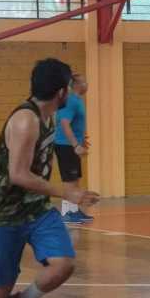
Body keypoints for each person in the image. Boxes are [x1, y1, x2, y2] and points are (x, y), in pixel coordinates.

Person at [0, 58, 101, 298]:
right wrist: (67, 191)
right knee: (1, 283)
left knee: (63, 264)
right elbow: (18, 174)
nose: (70, 91)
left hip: (36, 209)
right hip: (2, 213)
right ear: (61, 92)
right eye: (68, 86)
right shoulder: (25, 120)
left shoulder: (50, 117)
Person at [54, 73, 92, 224]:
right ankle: (67, 213)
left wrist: (82, 141)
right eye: (85, 82)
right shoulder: (70, 101)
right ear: (77, 84)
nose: (87, 84)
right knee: (69, 180)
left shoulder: (77, 101)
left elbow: (75, 124)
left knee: (75, 178)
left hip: (72, 144)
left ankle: (74, 209)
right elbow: (64, 123)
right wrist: (75, 145)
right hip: (65, 145)